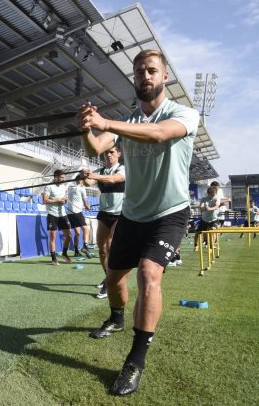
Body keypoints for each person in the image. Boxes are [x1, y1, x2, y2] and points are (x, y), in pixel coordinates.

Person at [77, 49, 200, 396]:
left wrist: (106, 123)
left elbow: (160, 133)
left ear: (164, 77)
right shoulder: (128, 121)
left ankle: (135, 360)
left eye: (151, 71)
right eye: (139, 72)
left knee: (148, 273)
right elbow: (94, 148)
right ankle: (117, 316)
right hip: (133, 214)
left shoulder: (184, 114)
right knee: (115, 278)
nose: (145, 76)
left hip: (170, 212)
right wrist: (87, 127)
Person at [82, 145, 125, 299]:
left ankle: (109, 284)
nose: (108, 155)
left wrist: (93, 176)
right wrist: (85, 176)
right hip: (104, 213)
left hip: (120, 214)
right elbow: (87, 183)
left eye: (112, 152)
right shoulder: (100, 171)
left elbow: (114, 179)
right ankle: (109, 277)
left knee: (110, 247)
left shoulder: (123, 169)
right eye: (106, 153)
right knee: (102, 250)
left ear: (118, 154)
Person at [42, 170, 72, 265]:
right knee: (53, 236)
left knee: (68, 235)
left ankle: (64, 253)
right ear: (56, 177)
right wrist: (57, 200)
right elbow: (45, 200)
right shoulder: (48, 186)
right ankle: (53, 258)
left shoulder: (63, 187)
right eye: (62, 178)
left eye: (64, 178)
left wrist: (65, 201)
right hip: (52, 214)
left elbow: (64, 199)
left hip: (63, 214)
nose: (63, 180)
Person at [66, 175, 93, 259]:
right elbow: (86, 203)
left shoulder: (70, 188)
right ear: (81, 181)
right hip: (77, 212)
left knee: (77, 233)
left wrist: (83, 206)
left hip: (69, 213)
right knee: (86, 229)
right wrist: (88, 206)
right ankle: (85, 246)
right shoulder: (82, 188)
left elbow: (73, 200)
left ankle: (76, 251)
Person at [194, 186, 221, 253]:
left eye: (214, 195)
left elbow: (217, 206)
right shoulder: (203, 199)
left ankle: (211, 247)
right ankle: (196, 245)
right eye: (211, 195)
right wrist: (205, 208)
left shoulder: (216, 198)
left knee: (212, 231)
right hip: (204, 219)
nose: (212, 196)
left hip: (213, 220)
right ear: (208, 194)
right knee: (198, 233)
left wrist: (209, 208)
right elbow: (201, 207)